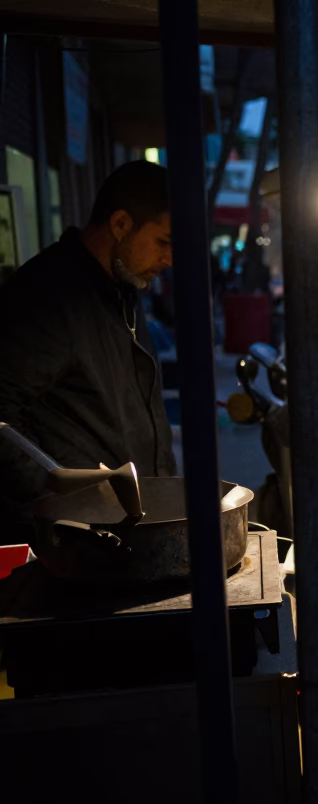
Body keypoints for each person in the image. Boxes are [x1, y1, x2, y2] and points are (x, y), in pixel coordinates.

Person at [0, 161, 176, 539]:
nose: (169, 259)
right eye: (164, 242)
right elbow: (2, 415)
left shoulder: (123, 285)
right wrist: (61, 499)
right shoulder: (47, 294)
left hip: (130, 525)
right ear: (121, 224)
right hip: (77, 535)